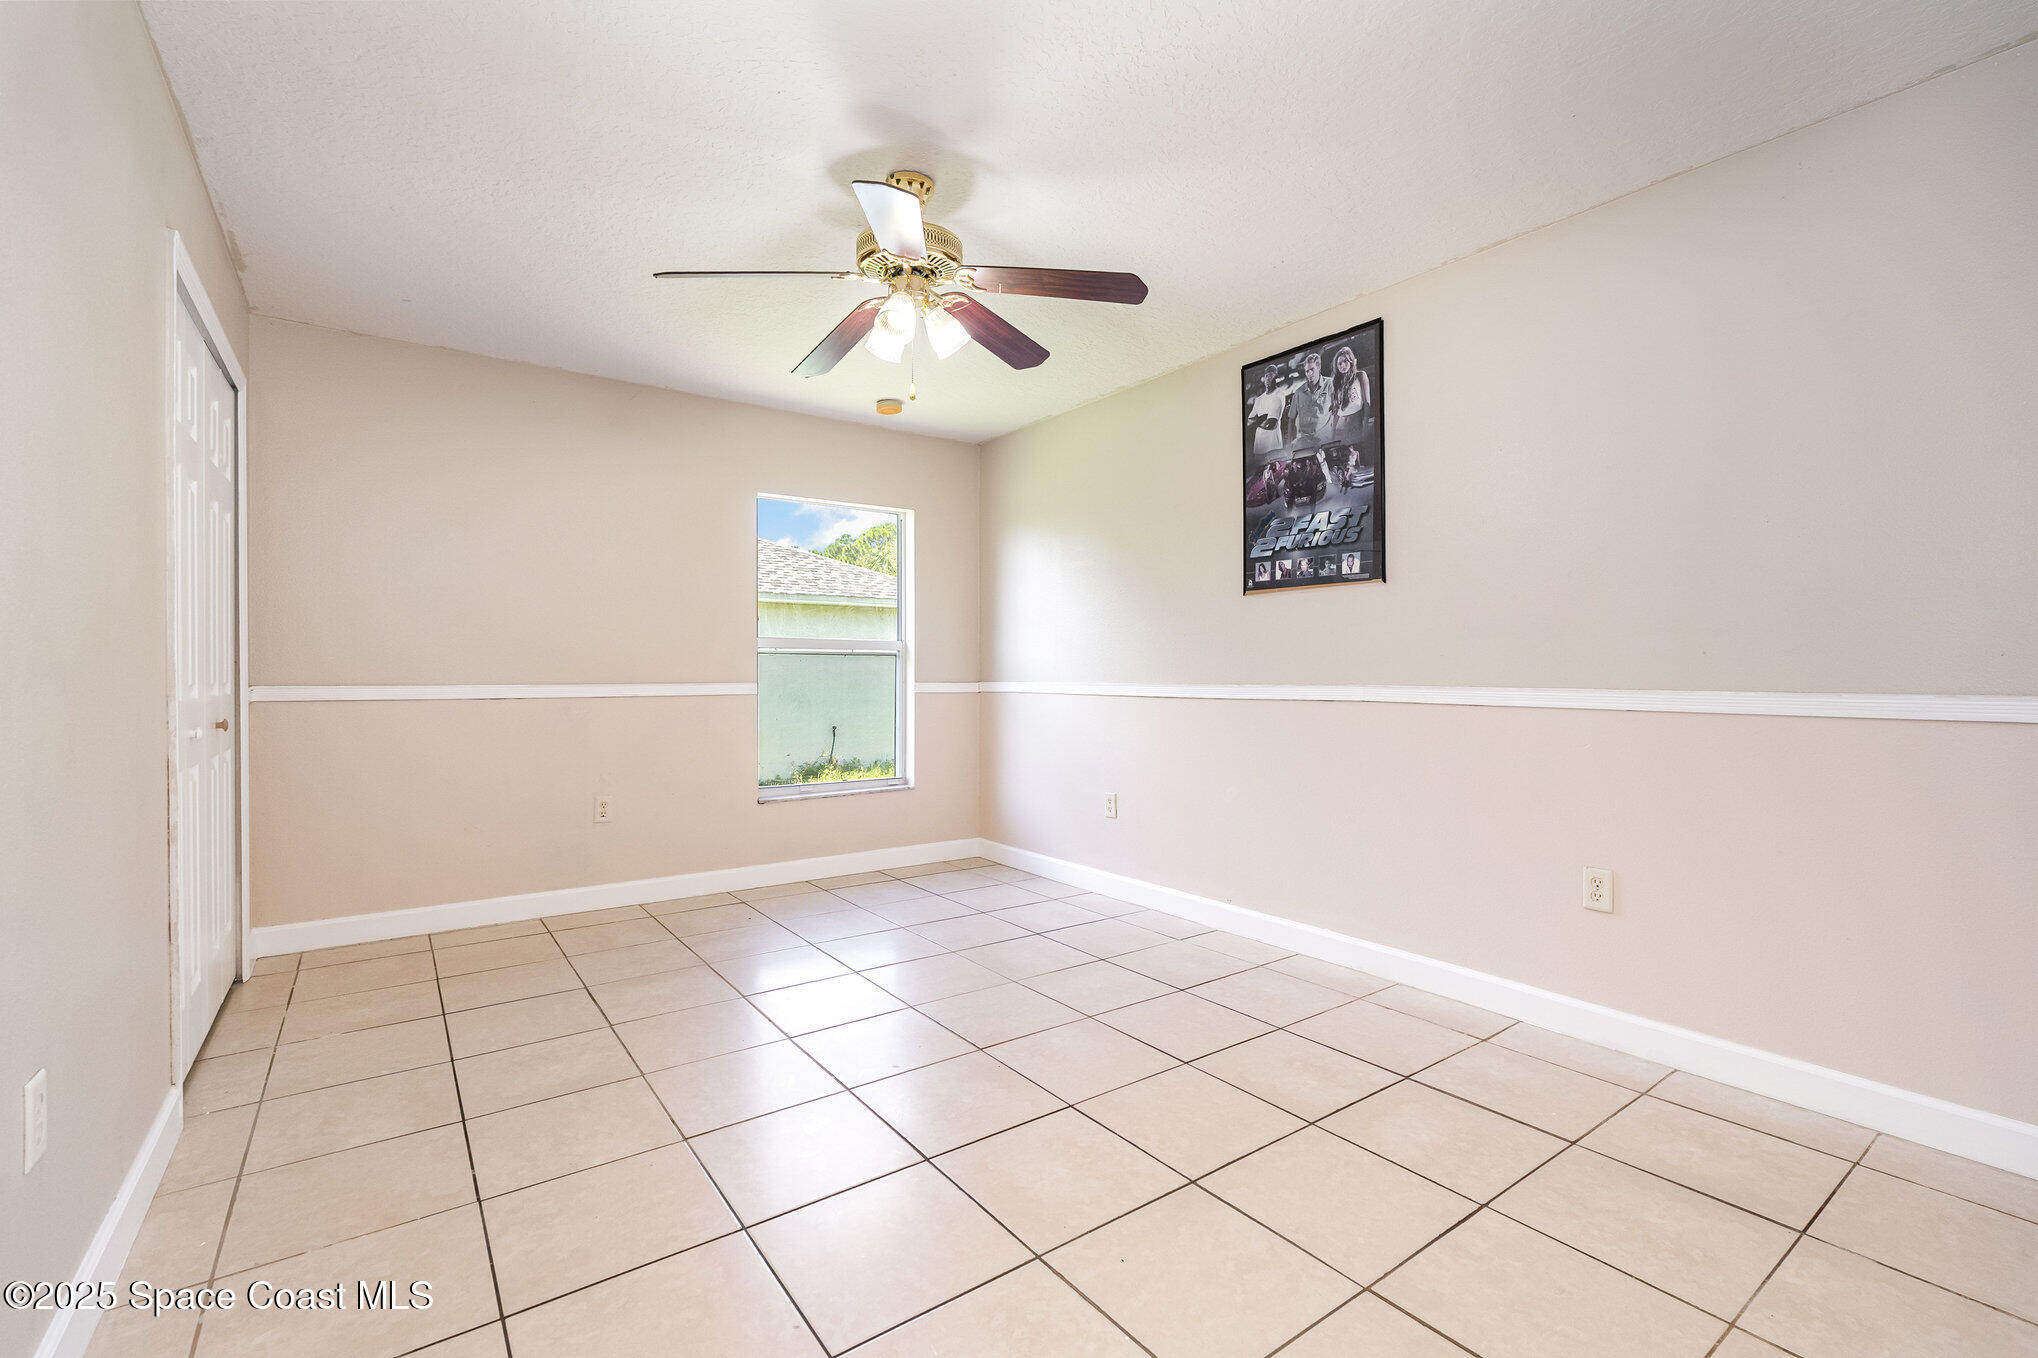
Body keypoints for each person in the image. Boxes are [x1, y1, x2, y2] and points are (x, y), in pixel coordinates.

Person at [1283, 351, 1336, 448]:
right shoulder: (1299, 392)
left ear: (1319, 367)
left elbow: (1337, 412)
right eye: (1307, 371)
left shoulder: (1330, 385)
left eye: (1312, 369)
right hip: (1304, 442)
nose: (1310, 373)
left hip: (1325, 440)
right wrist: (1288, 444)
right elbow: (1291, 419)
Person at [1331, 345, 1372, 439]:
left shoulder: (1360, 375)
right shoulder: (1337, 382)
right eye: (1339, 363)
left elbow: (1367, 403)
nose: (1342, 365)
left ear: (1351, 361)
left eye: (1345, 361)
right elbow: (1336, 410)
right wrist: (1332, 432)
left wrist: (1365, 426)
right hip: (1340, 427)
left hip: (1355, 423)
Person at [1246, 367, 1286, 456]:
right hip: (1258, 446)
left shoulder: (1279, 395)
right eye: (1266, 376)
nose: (1268, 379)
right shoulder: (1258, 399)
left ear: (1276, 378)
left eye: (1271, 376)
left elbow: (1271, 424)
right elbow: (1248, 421)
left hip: (1273, 445)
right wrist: (1262, 419)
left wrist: (1256, 421)